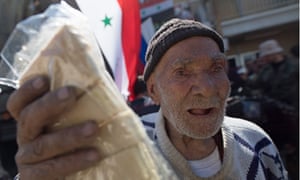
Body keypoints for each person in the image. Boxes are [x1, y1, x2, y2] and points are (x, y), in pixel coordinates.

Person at [7, 19, 288, 179]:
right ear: (152, 90)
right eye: (182, 72)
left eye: (216, 68)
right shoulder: (116, 146)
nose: (205, 87)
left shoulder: (254, 141)